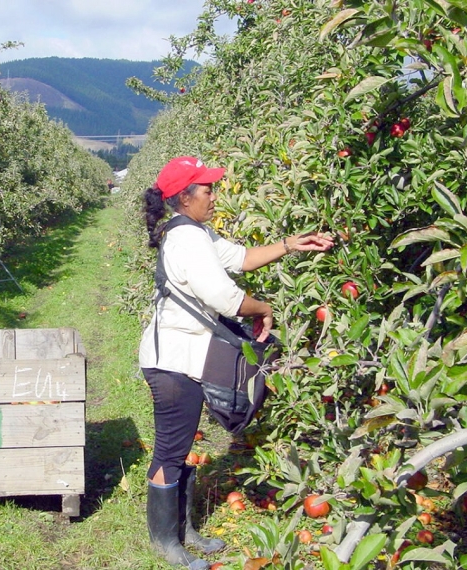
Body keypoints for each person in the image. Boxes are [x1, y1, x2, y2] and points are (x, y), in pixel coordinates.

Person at [139, 156, 334, 568]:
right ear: (185, 197)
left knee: (181, 445)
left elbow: (241, 257)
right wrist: (264, 308)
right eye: (207, 190)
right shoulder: (187, 238)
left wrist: (289, 244)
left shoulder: (194, 232)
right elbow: (225, 298)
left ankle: (183, 530)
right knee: (171, 448)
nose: (214, 196)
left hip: (185, 356)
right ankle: (166, 541)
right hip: (172, 361)